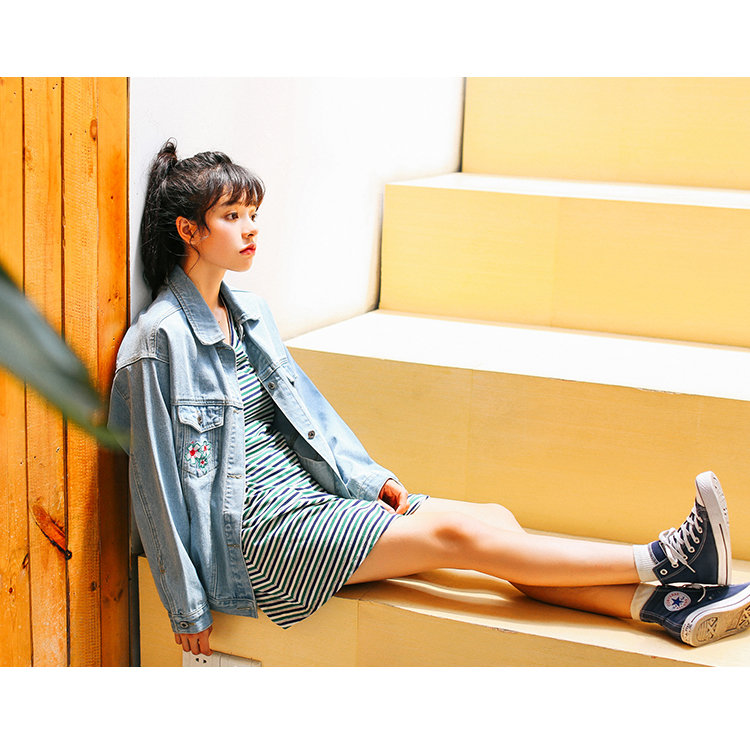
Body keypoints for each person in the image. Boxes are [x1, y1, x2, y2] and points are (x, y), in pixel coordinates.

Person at [109, 140, 750, 658]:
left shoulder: (249, 311)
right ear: (189, 230)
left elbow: (309, 415)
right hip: (255, 538)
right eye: (232, 216)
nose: (251, 229)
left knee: (493, 516)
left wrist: (371, 480)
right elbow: (154, 482)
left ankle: (662, 606)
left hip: (310, 500)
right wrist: (186, 605)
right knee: (456, 533)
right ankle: (665, 559)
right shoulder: (158, 343)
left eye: (253, 214)